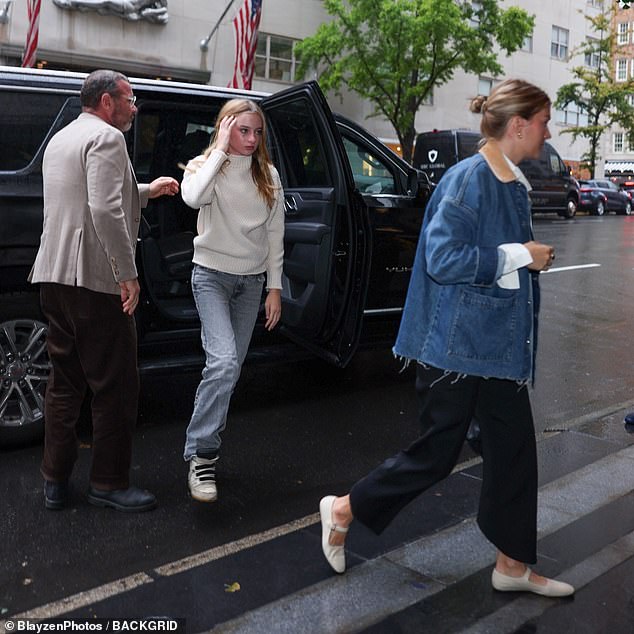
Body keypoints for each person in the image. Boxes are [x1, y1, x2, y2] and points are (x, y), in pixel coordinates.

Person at [319, 79, 575, 598]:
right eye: (544, 122)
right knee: (437, 453)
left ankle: (512, 564)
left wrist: (519, 259)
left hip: (492, 349)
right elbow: (443, 259)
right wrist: (521, 255)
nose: (547, 134)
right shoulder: (469, 180)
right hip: (457, 350)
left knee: (515, 453)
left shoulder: (507, 180)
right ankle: (344, 509)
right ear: (520, 124)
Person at [29, 69, 179, 512]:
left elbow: (90, 194)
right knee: (116, 385)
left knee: (65, 382)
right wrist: (126, 273)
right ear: (108, 101)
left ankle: (54, 480)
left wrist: (149, 190)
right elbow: (104, 208)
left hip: (54, 278)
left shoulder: (63, 138)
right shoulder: (110, 140)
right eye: (130, 100)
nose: (135, 108)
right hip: (94, 281)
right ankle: (109, 483)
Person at [180, 99, 284, 503]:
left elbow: (275, 233)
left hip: (251, 284)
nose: (251, 139)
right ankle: (202, 454)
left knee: (230, 370)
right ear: (225, 127)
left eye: (257, 132)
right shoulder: (202, 168)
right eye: (243, 130)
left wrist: (274, 287)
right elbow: (192, 198)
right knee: (222, 363)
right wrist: (220, 150)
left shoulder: (268, 174)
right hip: (211, 278)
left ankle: (204, 448)